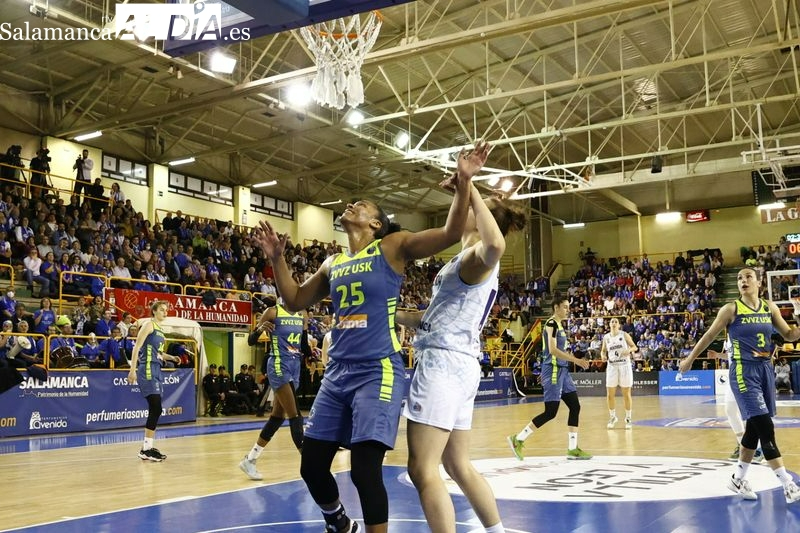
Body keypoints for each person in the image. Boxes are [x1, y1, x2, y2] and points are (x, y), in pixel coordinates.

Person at [252, 141, 489, 533]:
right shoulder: (333, 262)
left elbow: (449, 232)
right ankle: (339, 522)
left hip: (378, 371)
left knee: (364, 471)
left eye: (360, 204)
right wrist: (277, 258)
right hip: (337, 374)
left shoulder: (392, 247)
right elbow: (293, 301)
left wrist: (464, 182)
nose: (351, 206)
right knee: (311, 466)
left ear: (375, 223)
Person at [395, 182, 525, 533]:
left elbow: (497, 244)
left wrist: (471, 188)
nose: (462, 208)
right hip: (460, 362)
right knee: (458, 465)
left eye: (468, 206)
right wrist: (393, 313)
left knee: (422, 469)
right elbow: (429, 319)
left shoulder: (475, 258)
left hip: (443, 366)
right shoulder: (463, 260)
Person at [679, 268, 800, 503]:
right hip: (743, 372)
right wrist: (690, 359)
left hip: (765, 370)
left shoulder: (769, 308)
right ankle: (788, 484)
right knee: (765, 427)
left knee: (754, 430)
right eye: (739, 278)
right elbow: (708, 335)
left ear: (758, 282)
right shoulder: (731, 309)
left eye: (748, 277)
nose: (743, 280)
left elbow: (790, 335)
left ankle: (737, 479)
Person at [508, 292, 592, 461]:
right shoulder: (551, 323)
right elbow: (553, 351)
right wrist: (576, 360)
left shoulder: (560, 325)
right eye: (565, 307)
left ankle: (572, 449)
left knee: (575, 406)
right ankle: (518, 439)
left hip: (562, 371)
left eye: (569, 307)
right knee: (551, 412)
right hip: (553, 370)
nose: (568, 310)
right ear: (556, 308)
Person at [239, 300, 309, 481]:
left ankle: (250, 459)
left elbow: (303, 344)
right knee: (295, 415)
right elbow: (251, 340)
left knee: (277, 417)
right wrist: (260, 328)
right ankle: (312, 465)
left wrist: (311, 353)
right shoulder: (272, 312)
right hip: (279, 364)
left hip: (295, 366)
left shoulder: (302, 313)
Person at [127, 301, 180, 462]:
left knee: (155, 408)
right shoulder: (149, 325)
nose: (165, 312)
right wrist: (132, 370)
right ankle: (146, 448)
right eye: (162, 310)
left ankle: (148, 447)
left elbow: (159, 354)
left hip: (157, 370)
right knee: (156, 407)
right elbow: (137, 347)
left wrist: (172, 357)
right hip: (147, 369)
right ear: (154, 311)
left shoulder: (161, 331)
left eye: (166, 310)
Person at [600, 317, 638, 429]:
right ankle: (612, 417)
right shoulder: (606, 337)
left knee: (626, 394)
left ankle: (628, 418)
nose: (613, 323)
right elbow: (603, 351)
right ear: (609, 324)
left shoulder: (624, 335)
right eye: (612, 321)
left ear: (619, 325)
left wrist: (629, 350)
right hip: (612, 366)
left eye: (616, 321)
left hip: (624, 366)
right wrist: (602, 355)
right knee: (610, 394)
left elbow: (634, 347)